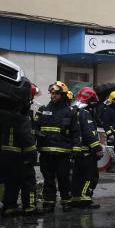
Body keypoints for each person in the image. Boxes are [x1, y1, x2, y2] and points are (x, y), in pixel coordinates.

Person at [33, 81, 79, 213]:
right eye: (52, 93)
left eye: (56, 94)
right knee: (48, 179)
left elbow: (76, 132)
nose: (53, 96)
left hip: (63, 153)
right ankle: (49, 203)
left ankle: (66, 202)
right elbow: (35, 128)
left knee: (63, 178)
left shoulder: (70, 113)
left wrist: (75, 150)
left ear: (63, 95)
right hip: (46, 152)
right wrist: (37, 133)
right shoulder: (43, 110)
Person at [0, 77, 37, 219]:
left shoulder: (4, 113)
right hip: (19, 156)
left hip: (4, 155)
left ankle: (9, 207)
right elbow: (26, 137)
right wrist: (32, 155)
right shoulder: (22, 116)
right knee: (28, 180)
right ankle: (30, 209)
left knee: (10, 181)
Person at [71, 87, 103, 209]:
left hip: (76, 151)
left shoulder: (73, 111)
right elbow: (89, 133)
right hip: (87, 152)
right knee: (90, 175)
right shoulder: (85, 114)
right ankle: (85, 198)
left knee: (77, 176)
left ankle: (75, 198)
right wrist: (97, 148)